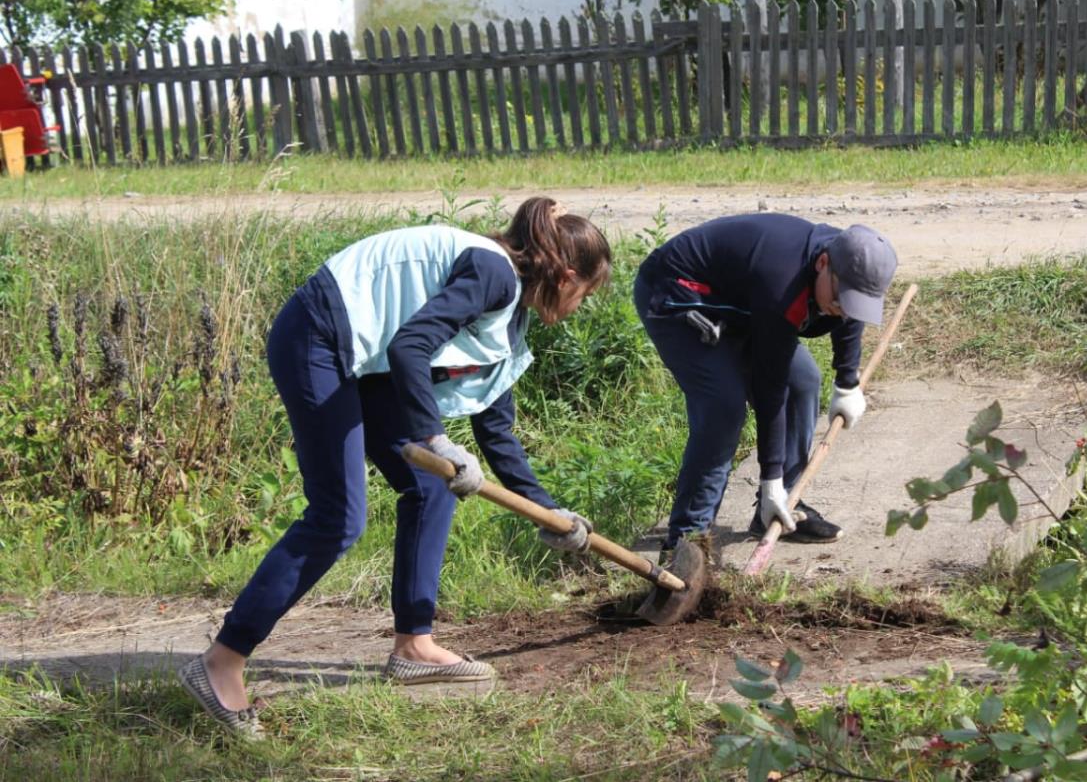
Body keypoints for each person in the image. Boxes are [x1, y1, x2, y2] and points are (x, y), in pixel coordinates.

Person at [179, 198, 611, 737]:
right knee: (337, 517)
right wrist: (436, 438)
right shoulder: (493, 272)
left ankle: (414, 645)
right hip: (320, 332)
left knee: (429, 488)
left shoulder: (511, 317)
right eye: (585, 294)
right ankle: (221, 661)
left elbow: (495, 430)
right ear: (568, 276)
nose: (579, 305)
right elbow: (411, 345)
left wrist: (549, 513)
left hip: (367, 355)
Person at [633, 214, 897, 558]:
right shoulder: (782, 279)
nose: (844, 310)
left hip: (740, 302)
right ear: (822, 264)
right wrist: (768, 478)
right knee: (723, 407)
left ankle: (782, 508)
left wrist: (847, 382)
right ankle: (687, 540)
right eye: (841, 297)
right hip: (680, 294)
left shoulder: (846, 262)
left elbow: (847, 315)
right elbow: (770, 386)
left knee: (804, 382)